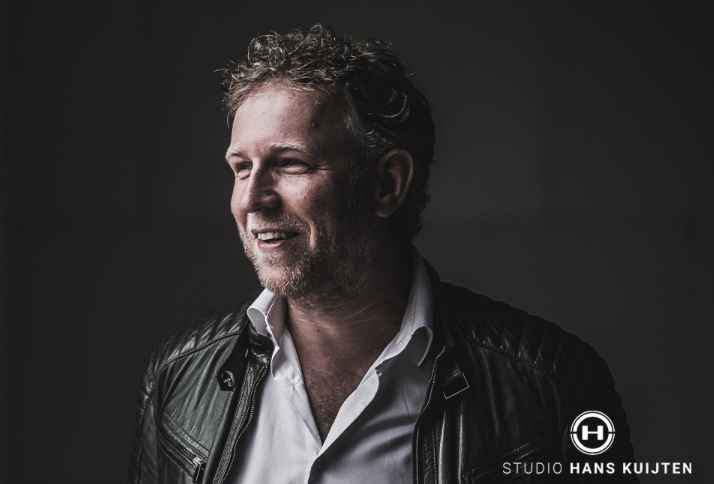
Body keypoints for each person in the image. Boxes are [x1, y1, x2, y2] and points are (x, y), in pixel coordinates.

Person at [129, 25, 637, 484]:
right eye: (241, 168)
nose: (252, 199)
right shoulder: (178, 376)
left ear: (387, 184)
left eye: (290, 163)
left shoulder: (550, 384)